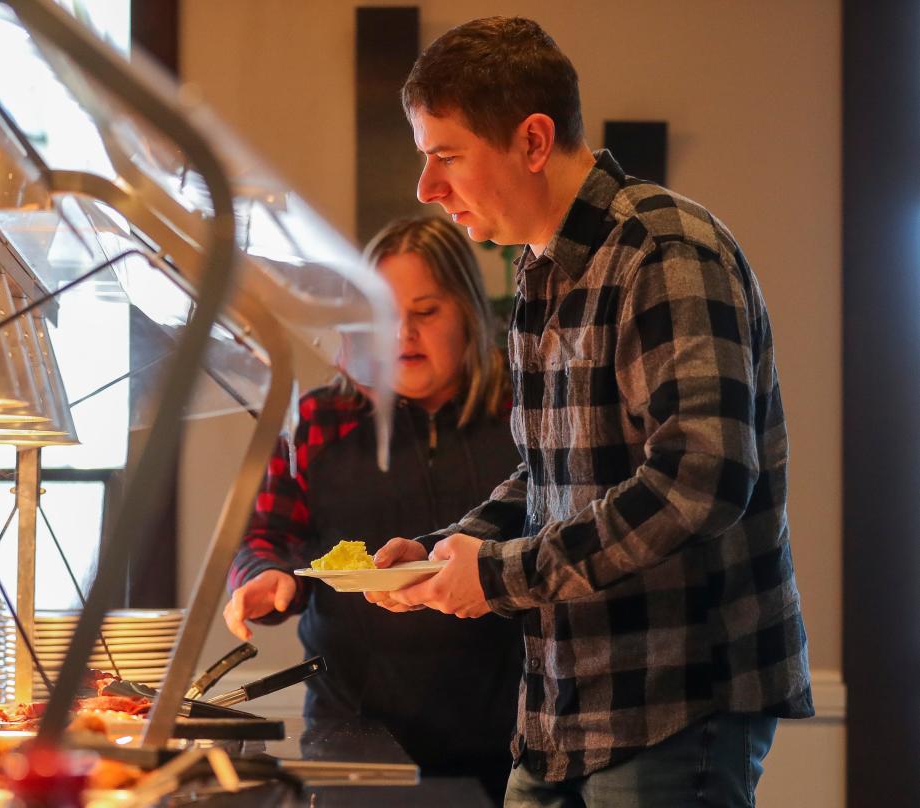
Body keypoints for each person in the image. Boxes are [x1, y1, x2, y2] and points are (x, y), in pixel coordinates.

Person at [367, 16, 814, 808]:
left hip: (675, 706)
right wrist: (447, 552)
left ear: (532, 141)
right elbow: (549, 473)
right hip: (560, 709)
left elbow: (698, 480)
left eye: (444, 156)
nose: (425, 189)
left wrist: (500, 576)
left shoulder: (666, 250)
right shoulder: (538, 274)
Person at [224, 215, 524, 802]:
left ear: (467, 310)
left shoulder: (524, 414)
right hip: (352, 736)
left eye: (426, 311)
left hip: (509, 739)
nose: (402, 333)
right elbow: (265, 536)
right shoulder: (318, 420)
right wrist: (264, 578)